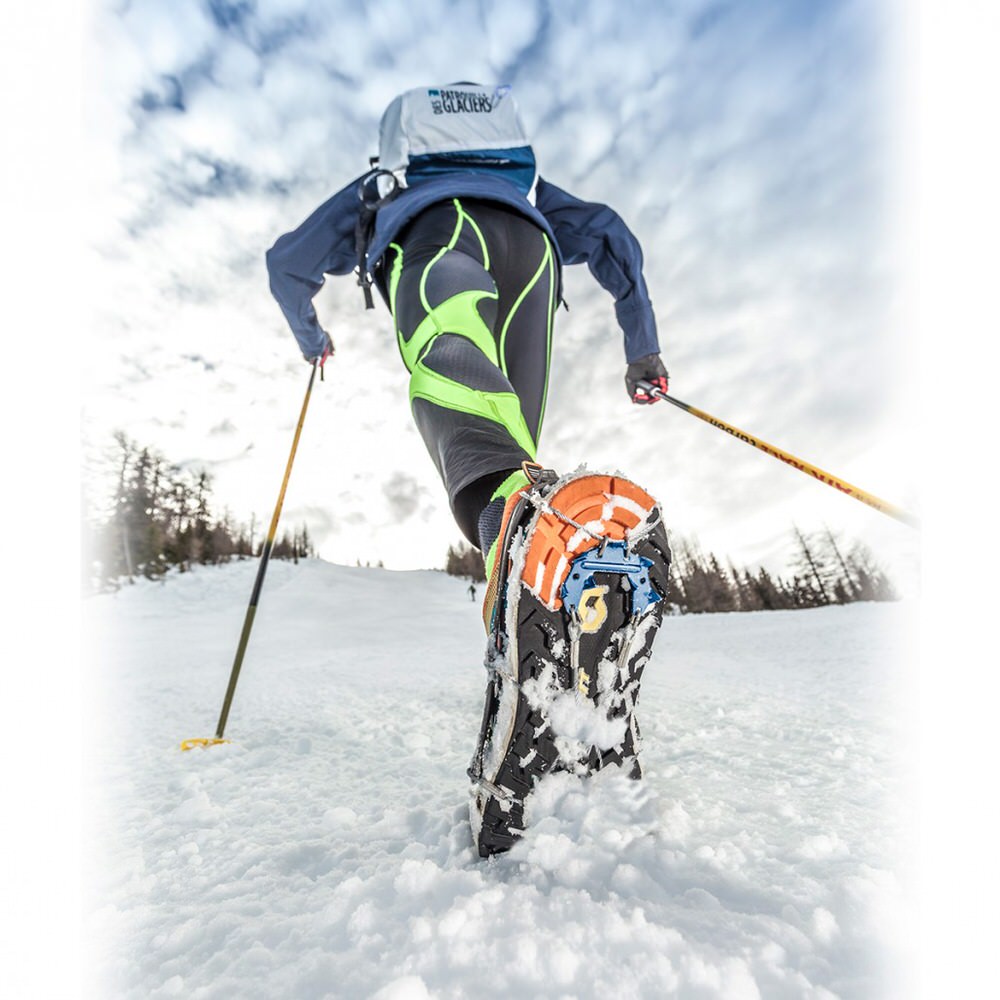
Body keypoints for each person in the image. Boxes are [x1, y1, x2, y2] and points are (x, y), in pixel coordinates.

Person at [267, 83, 671, 855]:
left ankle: (533, 565)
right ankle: (553, 598)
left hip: (440, 241)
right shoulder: (525, 184)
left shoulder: (388, 188)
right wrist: (640, 346)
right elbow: (610, 233)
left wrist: (310, 335)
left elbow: (287, 262)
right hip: (536, 260)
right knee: (515, 468)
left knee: (465, 410)